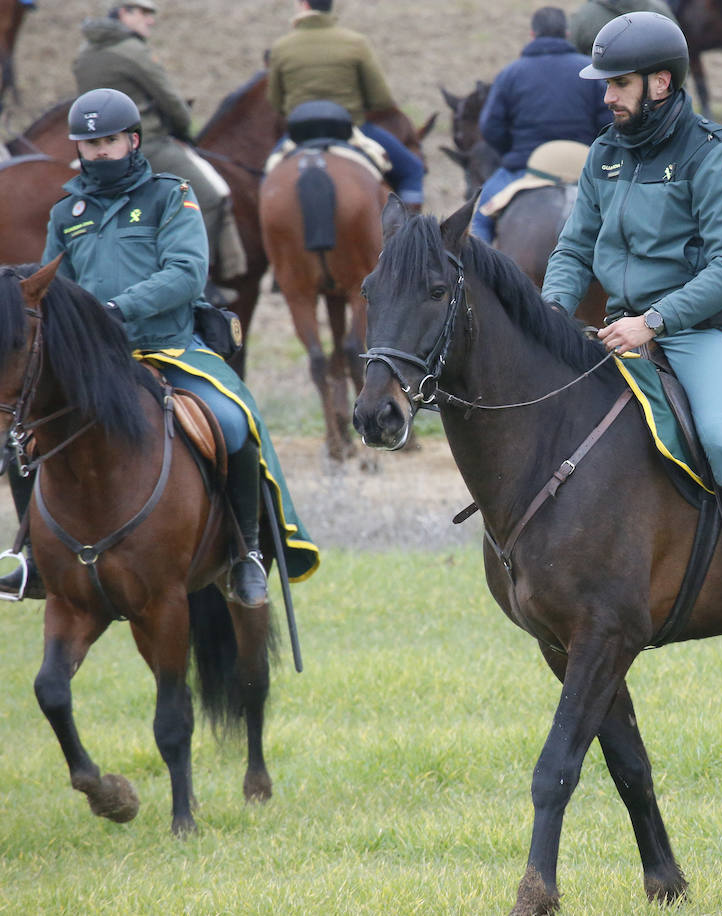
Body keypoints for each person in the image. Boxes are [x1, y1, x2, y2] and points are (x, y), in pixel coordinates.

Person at [2, 88, 316, 604]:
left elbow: (187, 274)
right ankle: (33, 559)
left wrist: (115, 310)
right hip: (94, 361)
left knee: (234, 422)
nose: (99, 151)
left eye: (109, 140)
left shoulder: (171, 196)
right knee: (24, 437)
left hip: (169, 346)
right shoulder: (67, 211)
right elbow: (54, 284)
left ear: (132, 140)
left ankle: (247, 555)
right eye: (89, 143)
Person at [541, 12, 722, 650]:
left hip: (702, 332)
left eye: (617, 84)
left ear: (659, 83)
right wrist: (549, 313)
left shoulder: (714, 154)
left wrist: (653, 322)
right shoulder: (604, 154)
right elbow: (573, 250)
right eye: (606, 85)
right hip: (621, 330)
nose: (606, 97)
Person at [73, 0, 246, 307]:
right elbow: (170, 99)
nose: (150, 20)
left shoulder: (83, 55)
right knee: (212, 195)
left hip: (93, 147)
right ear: (123, 12)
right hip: (146, 142)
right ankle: (200, 279)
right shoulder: (133, 51)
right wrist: (185, 130)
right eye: (144, 12)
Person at [471, 7, 612, 244]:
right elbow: (608, 122)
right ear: (567, 34)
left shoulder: (510, 74)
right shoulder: (591, 72)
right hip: (586, 167)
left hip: (524, 168)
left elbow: (490, 127)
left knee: (480, 220)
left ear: (532, 34)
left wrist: (514, 153)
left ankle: (474, 277)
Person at [267, 0, 424, 212]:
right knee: (413, 170)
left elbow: (275, 101)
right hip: (351, 130)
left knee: (267, 180)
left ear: (303, 5)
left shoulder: (281, 48)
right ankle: (410, 239)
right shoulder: (356, 43)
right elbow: (382, 99)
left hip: (299, 134)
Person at [569, 0, 678, 58]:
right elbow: (679, 50)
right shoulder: (660, 9)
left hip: (603, 94)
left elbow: (571, 58)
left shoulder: (584, 15)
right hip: (658, 91)